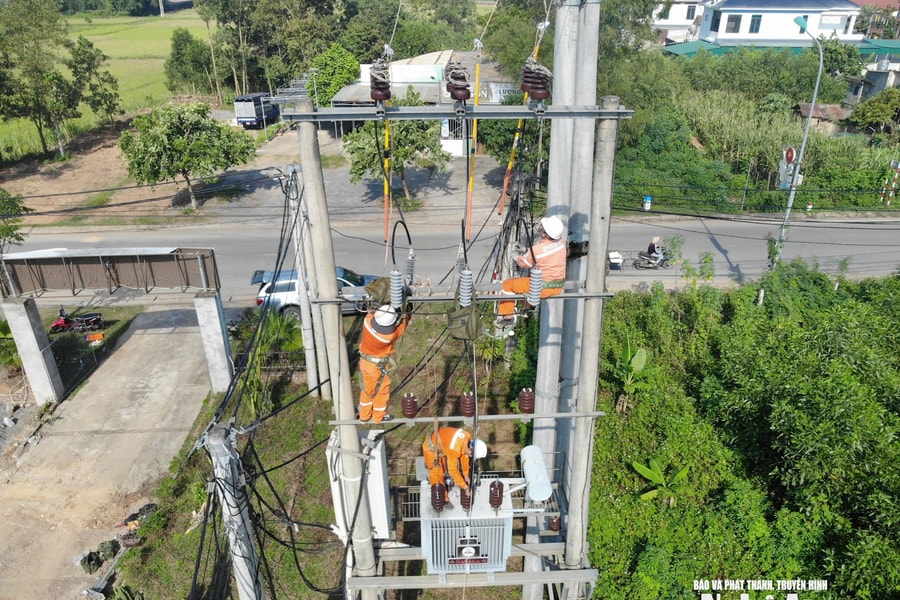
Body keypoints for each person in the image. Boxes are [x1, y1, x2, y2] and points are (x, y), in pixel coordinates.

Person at [497, 215, 567, 326]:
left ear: (544, 233)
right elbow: (543, 256)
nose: (540, 229)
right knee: (532, 274)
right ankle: (527, 307)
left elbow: (525, 263)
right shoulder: (561, 243)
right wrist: (527, 251)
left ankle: (507, 317)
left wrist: (516, 256)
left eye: (542, 228)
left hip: (541, 288)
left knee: (507, 285)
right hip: (558, 286)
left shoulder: (537, 250)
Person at [357, 304, 409, 423]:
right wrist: (407, 313)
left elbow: (373, 313)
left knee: (366, 389)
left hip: (364, 362)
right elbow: (402, 327)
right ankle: (378, 417)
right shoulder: (388, 336)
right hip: (377, 367)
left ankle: (364, 416)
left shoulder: (367, 321)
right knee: (381, 391)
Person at [422, 426, 488, 495]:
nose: (470, 456)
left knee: (443, 470)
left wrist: (466, 475)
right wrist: (465, 487)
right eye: (471, 454)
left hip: (442, 443)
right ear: (470, 449)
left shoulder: (467, 437)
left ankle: (444, 483)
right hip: (430, 448)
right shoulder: (455, 449)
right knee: (437, 477)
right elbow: (453, 471)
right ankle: (442, 499)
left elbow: (464, 456)